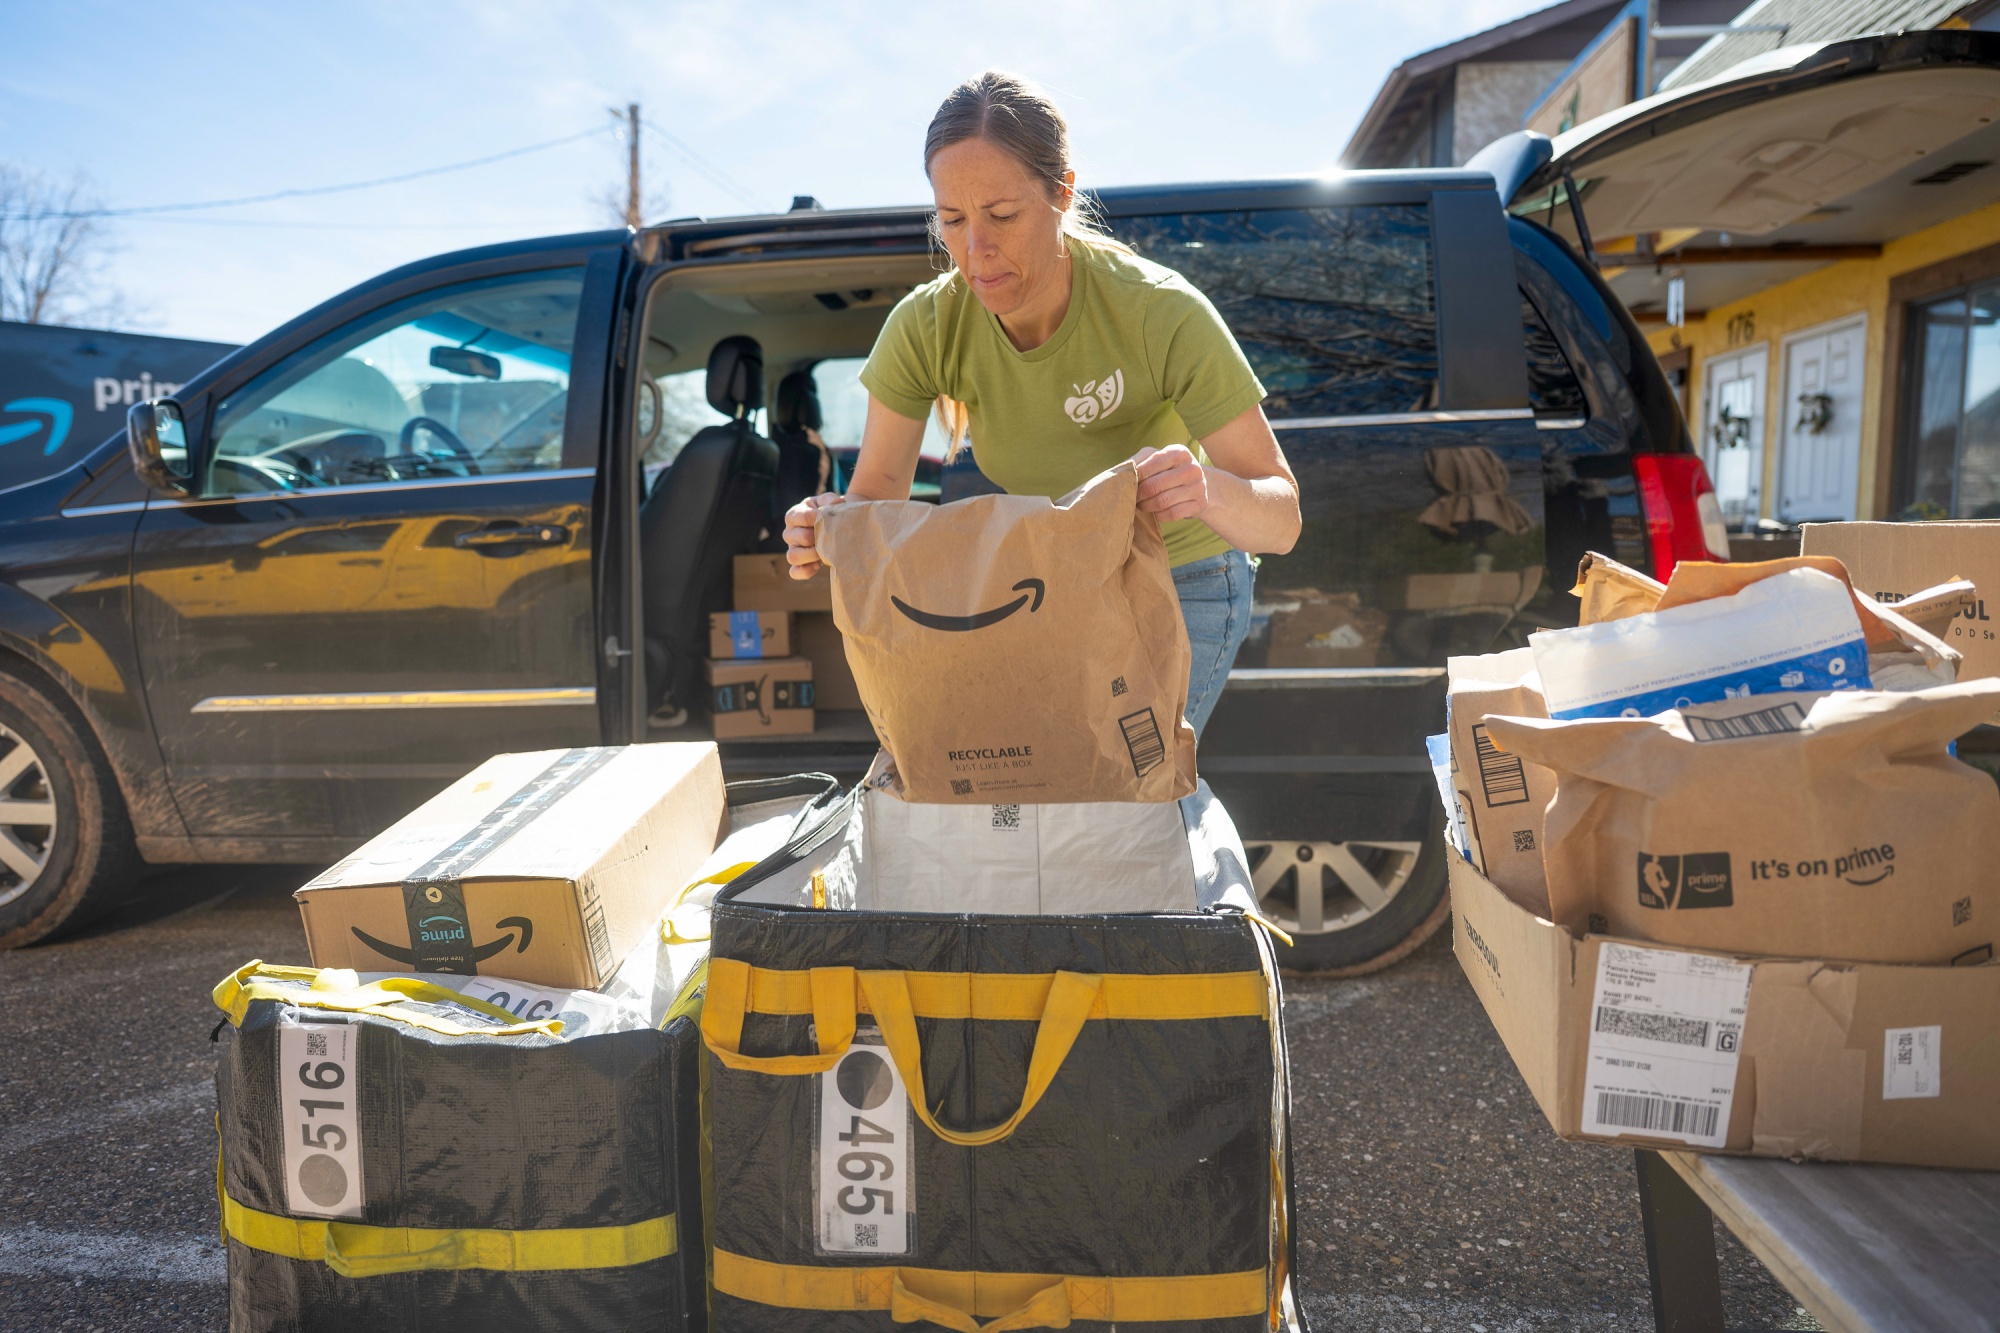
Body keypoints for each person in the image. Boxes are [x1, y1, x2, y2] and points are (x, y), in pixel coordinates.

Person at [783, 71, 1299, 738]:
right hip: (1054, 578)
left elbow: (1281, 517)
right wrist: (828, 526)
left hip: (1182, 578)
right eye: (952, 221)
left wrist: (1205, 489)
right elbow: (878, 496)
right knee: (1053, 778)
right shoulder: (927, 327)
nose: (975, 251)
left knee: (1128, 777)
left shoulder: (1158, 311)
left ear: (1062, 193)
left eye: (1001, 215)